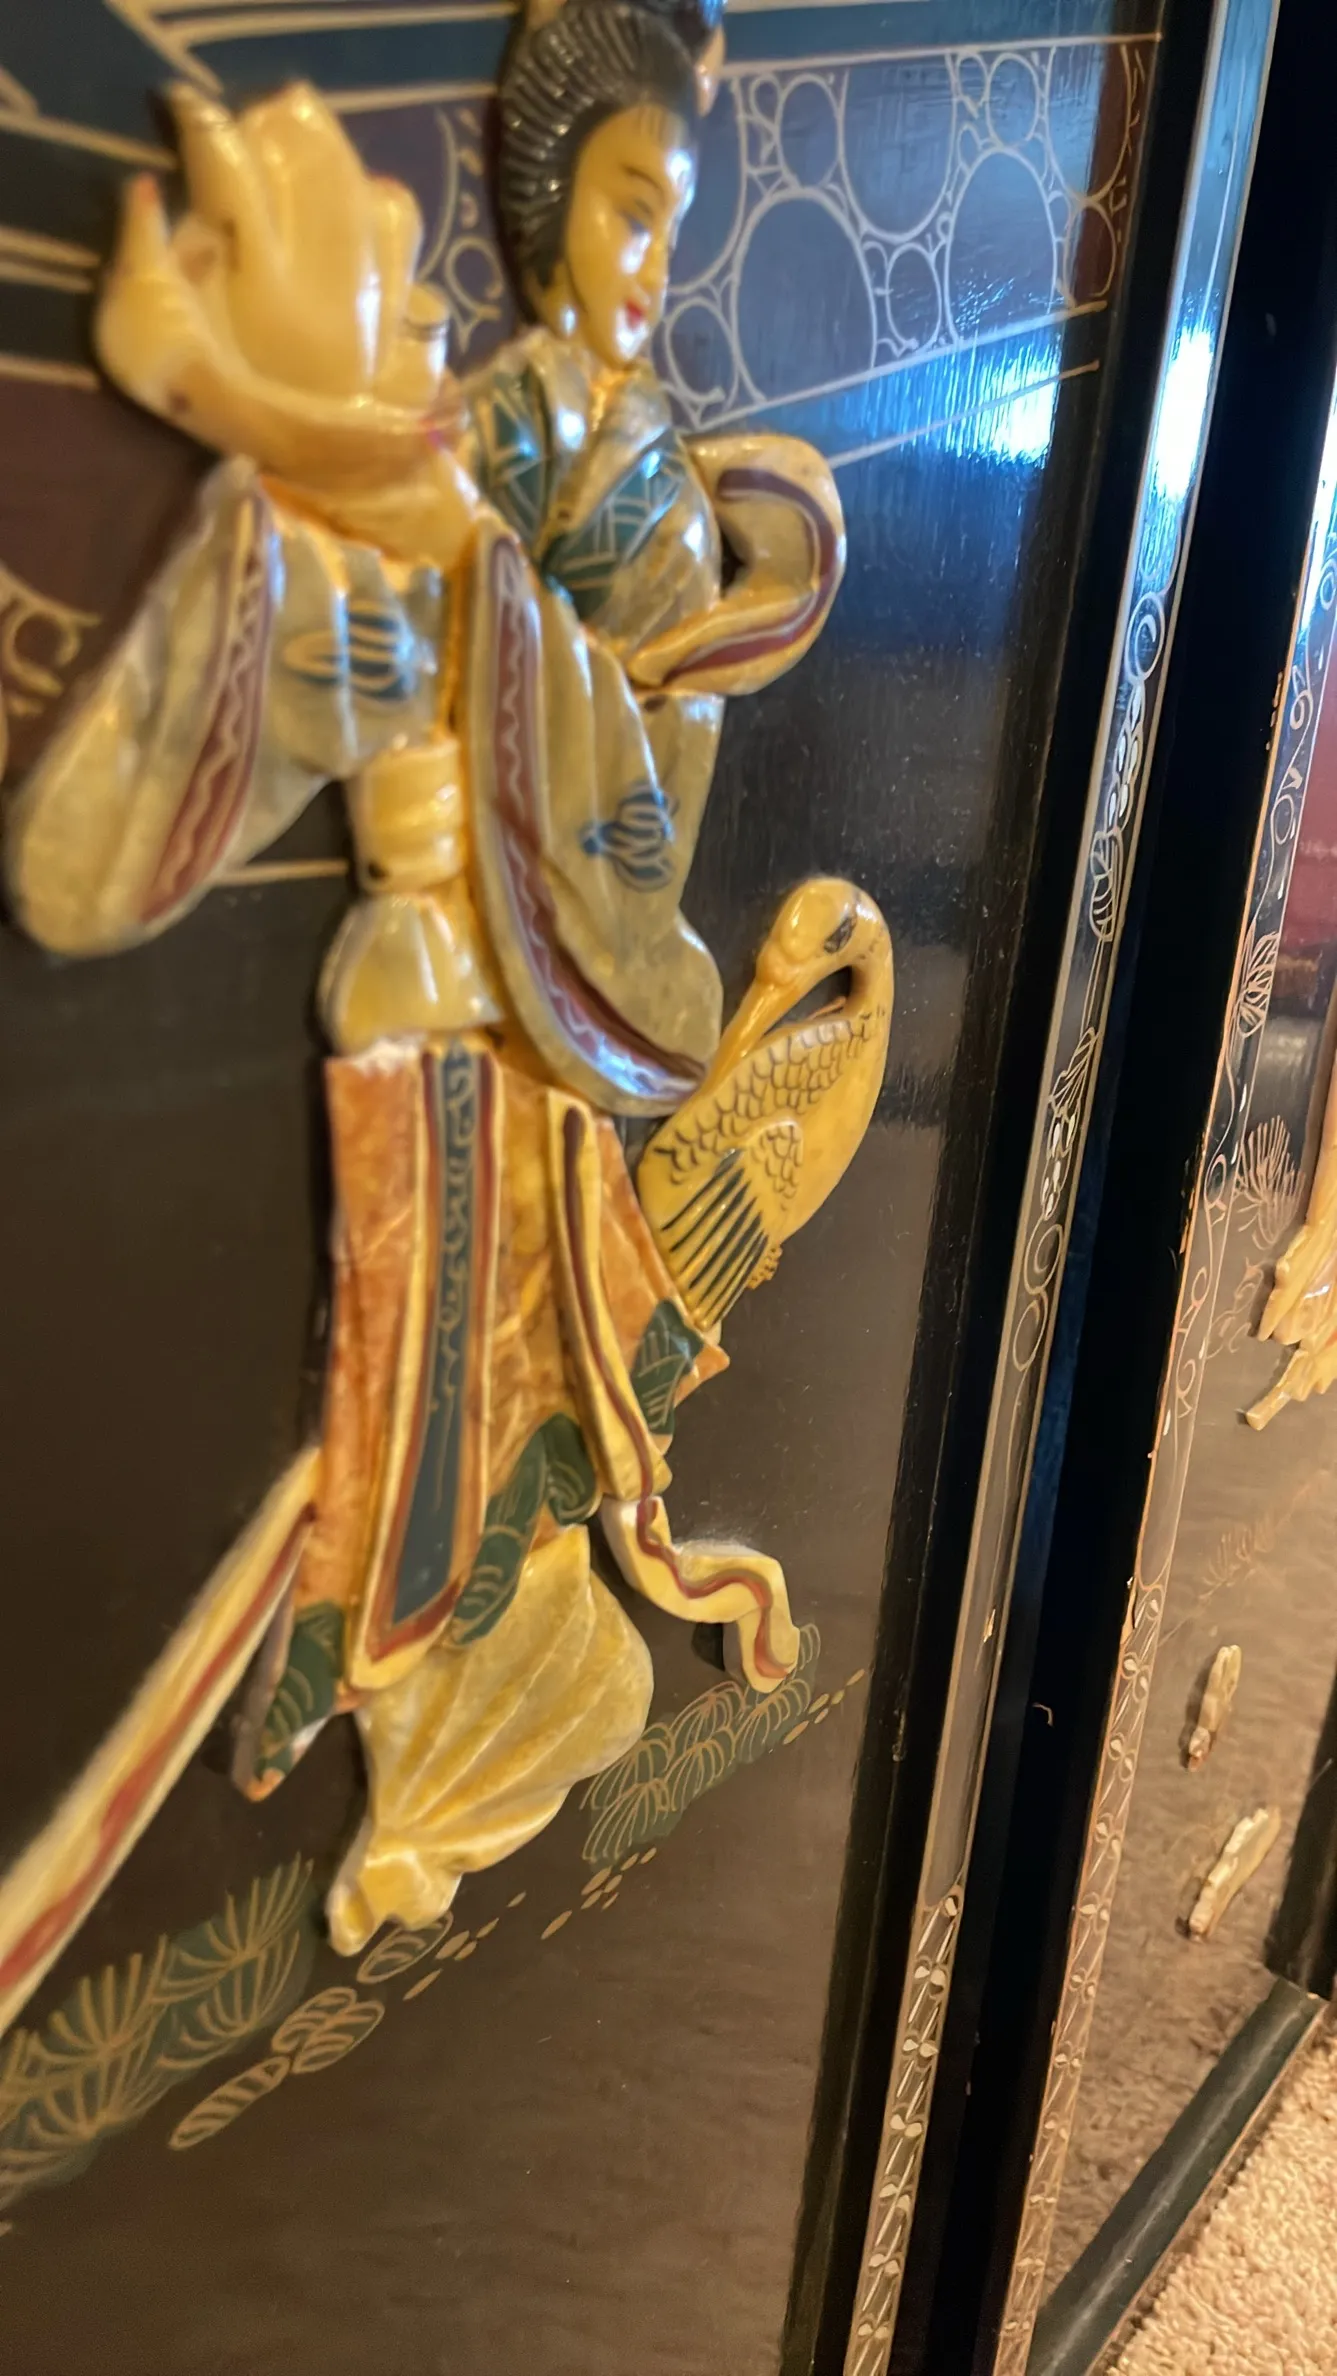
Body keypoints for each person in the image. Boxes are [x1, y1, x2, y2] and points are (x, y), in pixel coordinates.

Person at [6, 10, 882, 1953]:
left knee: (525, 1395)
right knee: (427, 1403)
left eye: (674, 221)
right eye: (628, 209)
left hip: (564, 950)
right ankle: (437, 1723)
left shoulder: (628, 450)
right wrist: (312, 454)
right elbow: (433, 571)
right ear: (549, 208)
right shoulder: (507, 425)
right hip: (455, 987)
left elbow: (563, 648)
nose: (649, 263)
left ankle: (477, 1725)